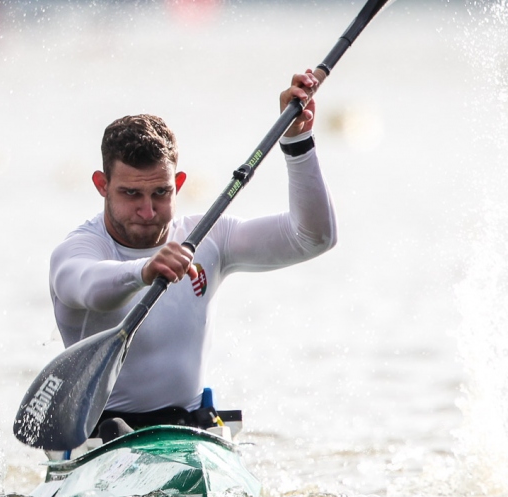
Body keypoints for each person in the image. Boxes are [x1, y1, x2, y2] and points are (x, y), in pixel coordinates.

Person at [49, 71, 335, 439]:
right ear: (101, 186)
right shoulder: (80, 250)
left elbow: (314, 237)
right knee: (115, 430)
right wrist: (144, 271)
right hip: (103, 435)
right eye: (131, 194)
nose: (148, 211)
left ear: (179, 184)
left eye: (161, 193)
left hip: (190, 429)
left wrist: (298, 141)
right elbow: (89, 287)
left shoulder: (210, 236)